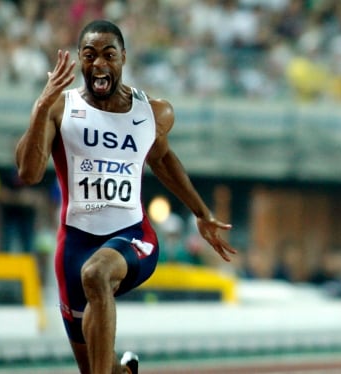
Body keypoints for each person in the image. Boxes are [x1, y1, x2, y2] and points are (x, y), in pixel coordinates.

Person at [15, 20, 237, 374]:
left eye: (108, 54)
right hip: (72, 246)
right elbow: (28, 173)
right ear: (79, 62)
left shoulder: (151, 112)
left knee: (97, 274)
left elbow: (162, 159)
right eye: (89, 55)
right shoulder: (60, 107)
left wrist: (201, 212)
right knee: (94, 368)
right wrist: (41, 104)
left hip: (133, 236)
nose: (99, 63)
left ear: (123, 59)